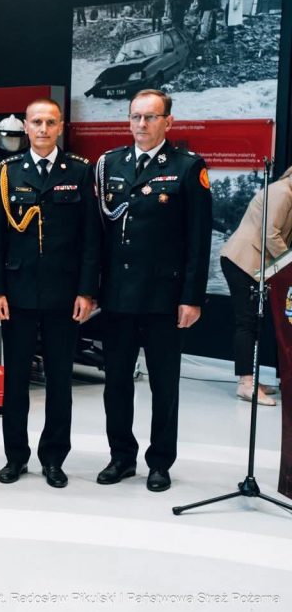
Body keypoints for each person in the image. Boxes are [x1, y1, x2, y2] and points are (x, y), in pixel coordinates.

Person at [95, 89, 212, 492]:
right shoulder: (110, 164)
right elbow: (100, 235)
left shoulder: (187, 167)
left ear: (168, 122)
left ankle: (160, 462)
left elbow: (198, 239)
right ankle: (121, 457)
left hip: (164, 297)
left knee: (164, 384)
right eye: (135, 117)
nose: (141, 124)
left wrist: (191, 297)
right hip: (118, 296)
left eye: (150, 117)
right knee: (116, 382)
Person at [0, 99, 100, 488]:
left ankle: (54, 458)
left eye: (50, 122)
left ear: (61, 126)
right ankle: (15, 457)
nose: (43, 129)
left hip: (63, 294)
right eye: (36, 122)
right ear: (25, 126)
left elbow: (91, 237)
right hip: (17, 293)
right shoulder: (8, 171)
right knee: (15, 381)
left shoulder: (79, 171)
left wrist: (86, 290)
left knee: (59, 381)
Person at [219, 168, 292, 406]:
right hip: (242, 260)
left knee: (256, 323)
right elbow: (270, 234)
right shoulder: (282, 192)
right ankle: (245, 384)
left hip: (258, 264)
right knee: (247, 322)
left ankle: (252, 379)